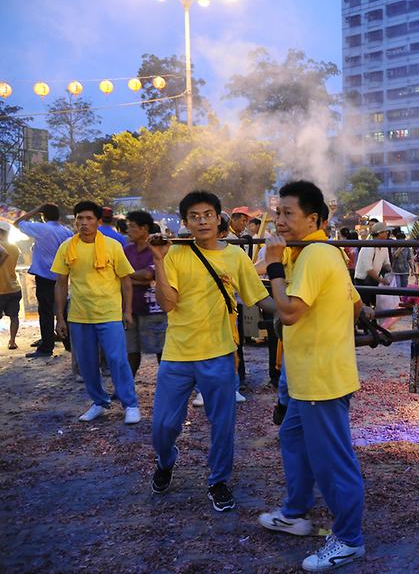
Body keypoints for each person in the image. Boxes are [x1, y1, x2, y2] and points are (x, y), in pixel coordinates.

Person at [259, 180, 367, 571]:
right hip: (309, 376)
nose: (280, 220)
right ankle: (296, 513)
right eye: (278, 212)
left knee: (333, 461)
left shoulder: (316, 255)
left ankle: (349, 540)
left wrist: (273, 265)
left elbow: (289, 312)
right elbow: (355, 307)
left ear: (314, 218)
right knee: (294, 439)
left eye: (289, 213)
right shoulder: (311, 254)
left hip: (321, 379)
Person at [148, 190, 272, 512]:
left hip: (218, 353)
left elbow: (259, 299)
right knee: (163, 425)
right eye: (194, 216)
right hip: (177, 353)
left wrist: (296, 312)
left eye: (207, 215)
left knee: (222, 424)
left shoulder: (235, 257)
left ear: (219, 219)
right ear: (185, 222)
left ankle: (218, 480)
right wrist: (159, 261)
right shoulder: (174, 255)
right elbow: (167, 304)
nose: (201, 221)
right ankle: (165, 460)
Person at [51, 201, 139, 424]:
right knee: (87, 364)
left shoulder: (112, 246)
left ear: (99, 221)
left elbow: (126, 280)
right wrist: (59, 317)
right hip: (79, 316)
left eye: (89, 218)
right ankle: (99, 402)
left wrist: (127, 311)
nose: (83, 223)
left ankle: (130, 404)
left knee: (117, 360)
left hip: (109, 314)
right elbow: (61, 284)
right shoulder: (66, 247)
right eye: (80, 218)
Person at [14, 203, 73, 357]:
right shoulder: (66, 232)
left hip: (45, 277)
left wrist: (35, 209)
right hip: (61, 277)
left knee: (46, 312)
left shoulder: (41, 229)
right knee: (63, 310)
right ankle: (69, 344)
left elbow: (18, 223)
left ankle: (47, 347)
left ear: (43, 216)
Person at [123, 210, 167, 375]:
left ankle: (166, 386)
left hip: (154, 308)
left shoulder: (156, 249)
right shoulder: (127, 250)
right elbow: (120, 274)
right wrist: (136, 277)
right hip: (131, 307)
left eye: (133, 226)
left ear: (144, 228)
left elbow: (149, 275)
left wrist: (127, 277)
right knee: (130, 351)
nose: (128, 230)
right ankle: (126, 388)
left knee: (161, 351)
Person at [353, 222, 391, 307]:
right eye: (385, 232)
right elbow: (368, 269)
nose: (387, 233)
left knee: (375, 305)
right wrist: (381, 280)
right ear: (379, 233)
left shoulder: (384, 246)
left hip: (374, 280)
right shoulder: (368, 247)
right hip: (362, 281)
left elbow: (386, 263)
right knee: (364, 306)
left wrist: (390, 271)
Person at [0, 222, 22, 349]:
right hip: (13, 287)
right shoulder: (14, 247)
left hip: (1, 289)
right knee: (14, 316)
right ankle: (12, 341)